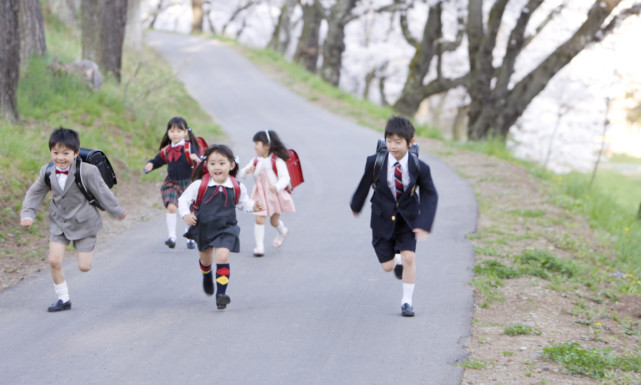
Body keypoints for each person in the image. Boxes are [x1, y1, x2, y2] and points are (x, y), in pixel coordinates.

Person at [20, 128, 127, 312]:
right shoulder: (47, 171)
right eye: (55, 153)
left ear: (76, 153)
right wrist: (28, 214)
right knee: (54, 261)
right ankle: (63, 298)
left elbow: (102, 192)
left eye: (66, 153)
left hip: (84, 222)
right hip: (59, 222)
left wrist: (117, 211)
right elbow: (34, 193)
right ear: (50, 152)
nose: (60, 158)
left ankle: (85, 251)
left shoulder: (88, 171)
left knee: (84, 267)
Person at [350, 116, 438, 317]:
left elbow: (430, 194)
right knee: (388, 266)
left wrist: (424, 223)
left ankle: (407, 301)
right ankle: (395, 261)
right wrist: (356, 204)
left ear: (410, 143)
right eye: (389, 141)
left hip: (408, 219)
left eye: (398, 142)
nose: (393, 146)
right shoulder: (375, 162)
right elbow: (364, 184)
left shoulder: (419, 167)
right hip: (381, 219)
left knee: (409, 257)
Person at [179, 144, 263, 310]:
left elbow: (243, 203)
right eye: (212, 163)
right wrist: (185, 214)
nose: (217, 167)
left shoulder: (237, 186)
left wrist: (253, 207)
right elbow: (183, 200)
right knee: (206, 258)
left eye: (222, 163)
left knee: (223, 256)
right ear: (206, 165)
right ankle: (206, 274)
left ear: (231, 165)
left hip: (226, 227)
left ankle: (221, 294)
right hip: (203, 226)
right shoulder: (199, 185)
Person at [144, 116, 201, 250]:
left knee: (189, 210)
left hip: (189, 184)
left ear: (185, 132)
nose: (175, 134)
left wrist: (196, 159)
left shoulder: (189, 147)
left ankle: (190, 235)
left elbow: (200, 163)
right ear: (168, 132)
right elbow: (158, 160)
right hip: (172, 183)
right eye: (172, 131)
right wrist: (151, 164)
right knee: (171, 206)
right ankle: (172, 237)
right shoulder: (166, 150)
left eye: (179, 131)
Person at [240, 130, 295, 257]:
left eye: (257, 143)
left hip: (274, 194)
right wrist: (246, 171)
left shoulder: (277, 160)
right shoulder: (255, 160)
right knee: (259, 218)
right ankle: (259, 247)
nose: (254, 146)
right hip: (260, 194)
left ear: (267, 146)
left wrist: (277, 187)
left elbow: (285, 178)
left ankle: (282, 231)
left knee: (274, 221)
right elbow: (242, 173)